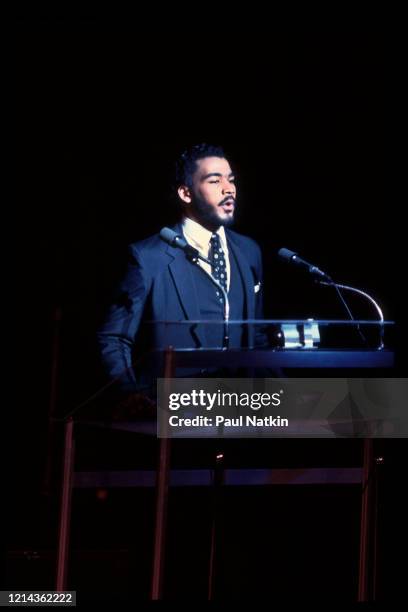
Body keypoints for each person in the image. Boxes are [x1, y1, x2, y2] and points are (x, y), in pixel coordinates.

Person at [97, 143, 265, 394]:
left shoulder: (249, 251)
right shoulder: (148, 257)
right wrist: (130, 396)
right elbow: (114, 338)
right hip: (171, 414)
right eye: (214, 181)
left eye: (231, 180)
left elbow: (258, 335)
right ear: (186, 193)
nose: (229, 189)